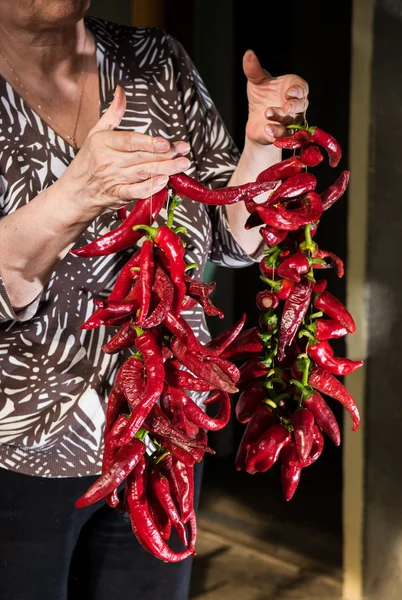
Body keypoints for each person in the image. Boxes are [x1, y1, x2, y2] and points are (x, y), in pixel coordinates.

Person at [0, 1, 309, 599]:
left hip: (163, 435)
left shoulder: (155, 62)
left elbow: (230, 237)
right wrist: (75, 197)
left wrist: (263, 146)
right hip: (18, 449)